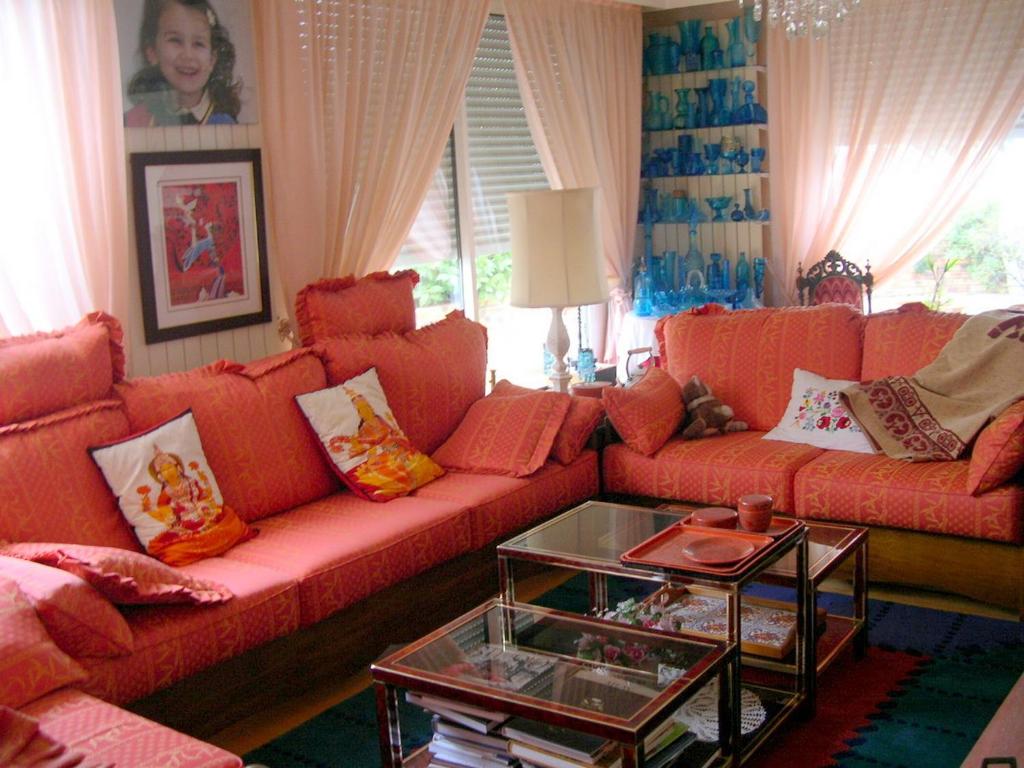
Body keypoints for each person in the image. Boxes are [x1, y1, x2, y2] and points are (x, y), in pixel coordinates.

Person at [124, 0, 241, 127]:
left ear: (212, 59)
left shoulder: (226, 125)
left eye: (198, 44)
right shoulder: (133, 123)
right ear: (152, 53)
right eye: (175, 41)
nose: (188, 55)